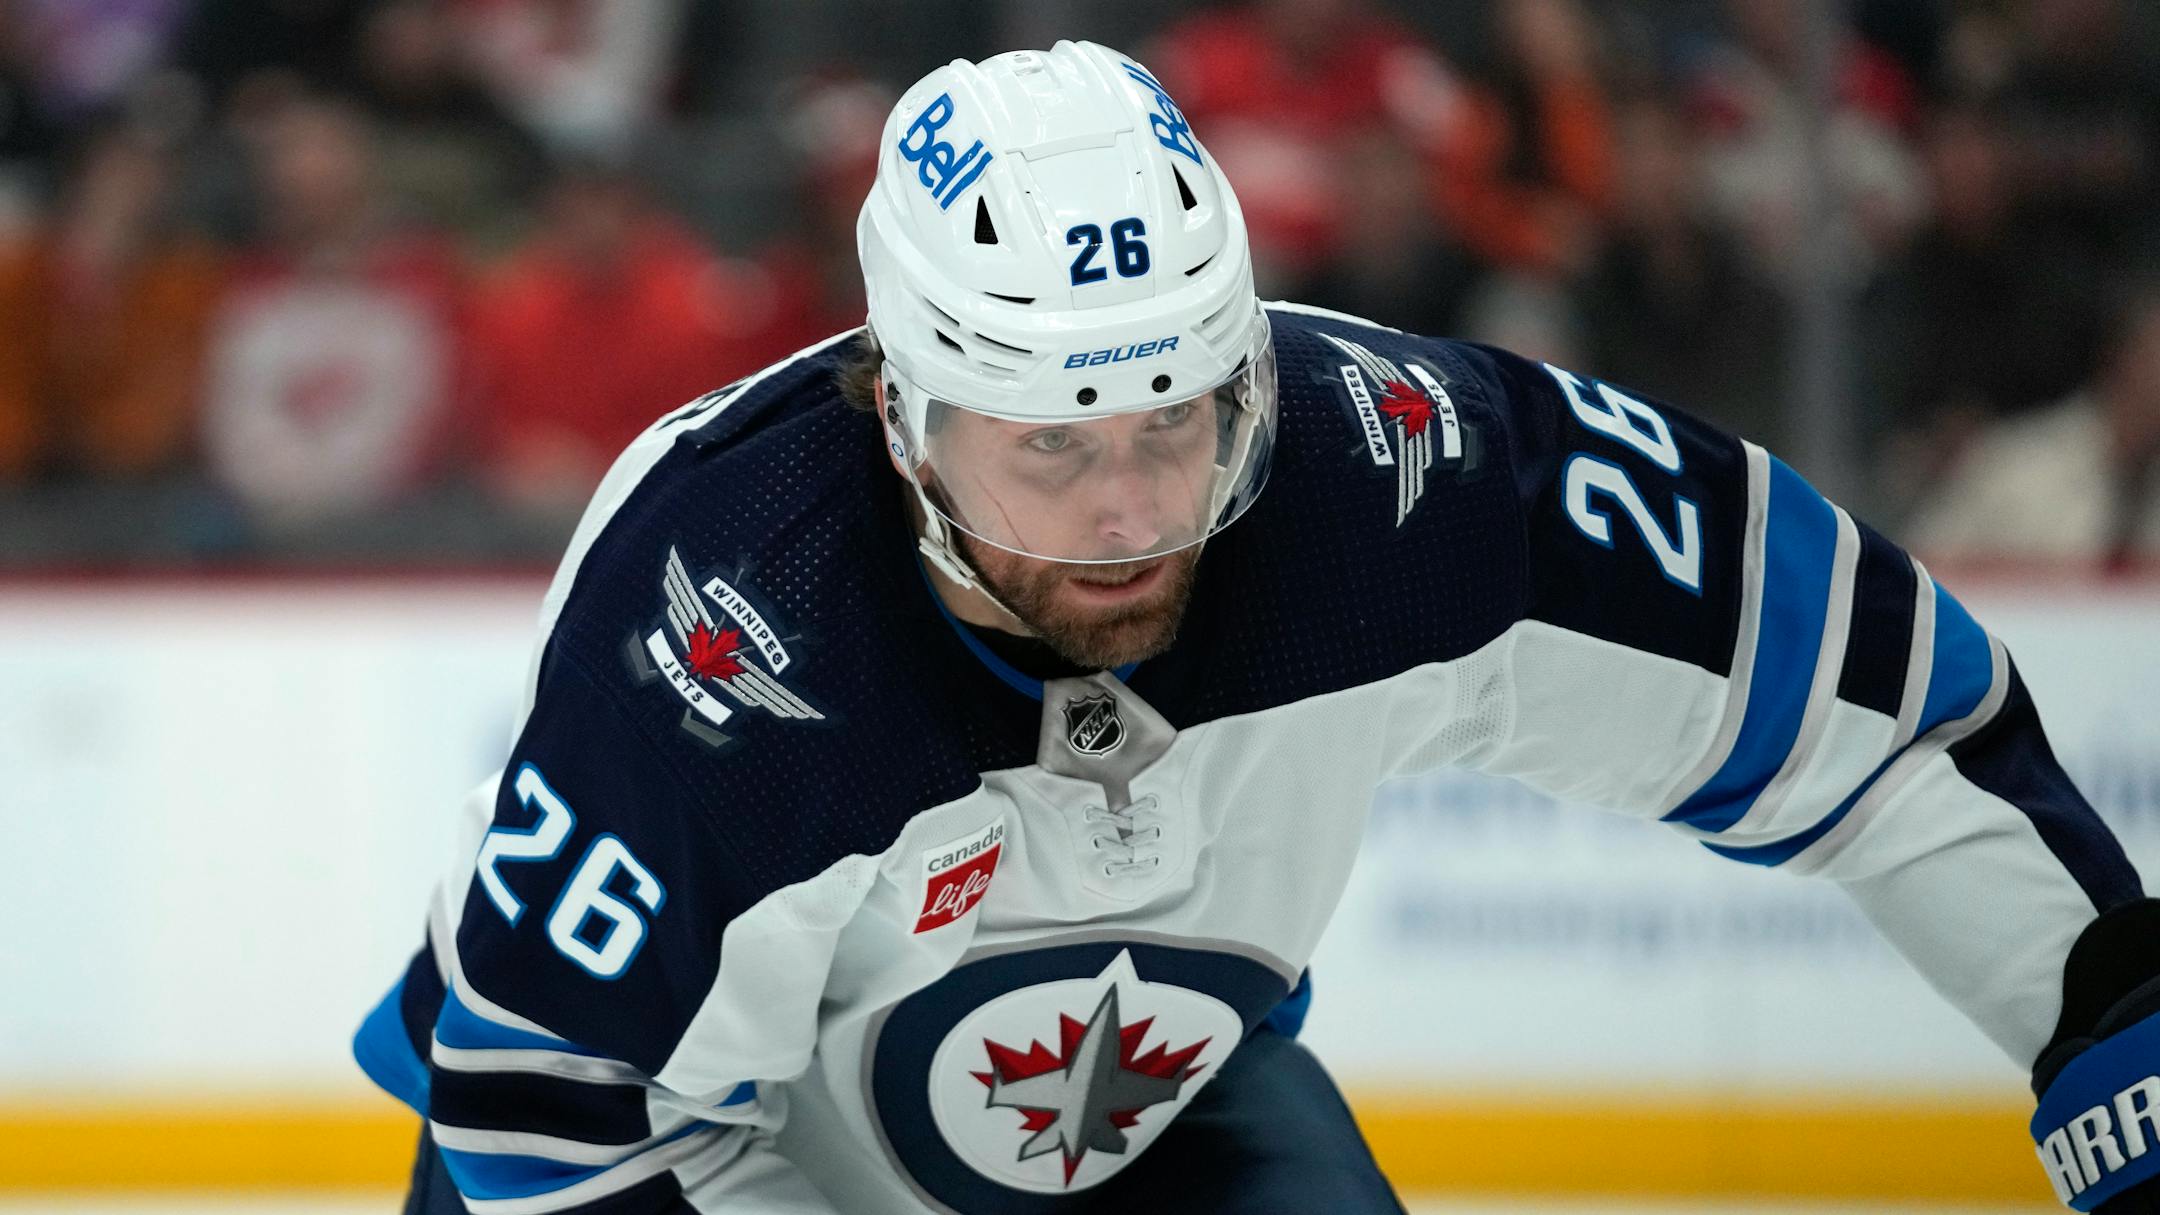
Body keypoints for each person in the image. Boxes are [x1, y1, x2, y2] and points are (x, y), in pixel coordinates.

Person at [354, 41, 2155, 1214]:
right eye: (1052, 449)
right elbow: (547, 1115)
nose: (1131, 515)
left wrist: (2116, 1037)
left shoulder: (1401, 477)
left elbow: (1870, 705)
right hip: (686, 1155)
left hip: (1151, 1113)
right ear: (902, 417)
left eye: (1177, 425)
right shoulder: (733, 630)